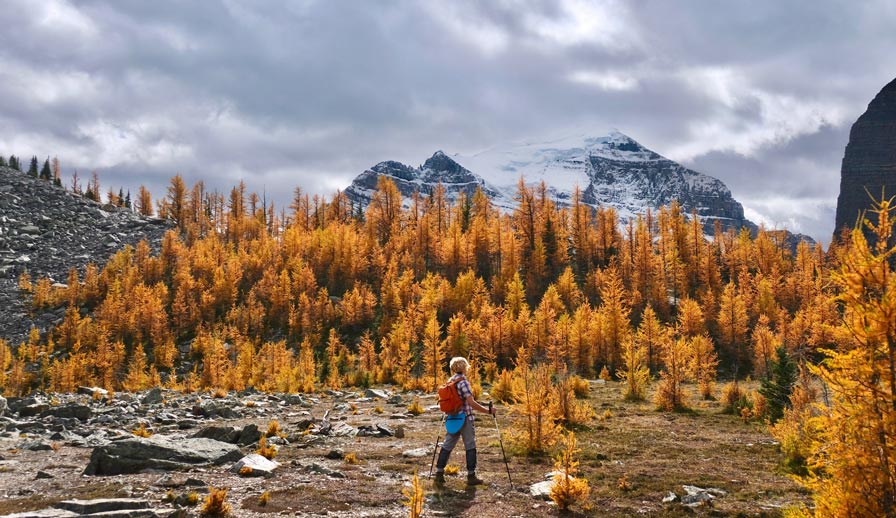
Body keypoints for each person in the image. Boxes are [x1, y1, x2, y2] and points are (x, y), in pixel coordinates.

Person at [434, 356, 496, 487]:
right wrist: (488, 411)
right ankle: (471, 476)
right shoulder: (464, 382)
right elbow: (471, 403)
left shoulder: (449, 382)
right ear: (464, 367)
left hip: (452, 418)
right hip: (466, 418)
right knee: (470, 445)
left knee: (447, 445)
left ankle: (439, 473)